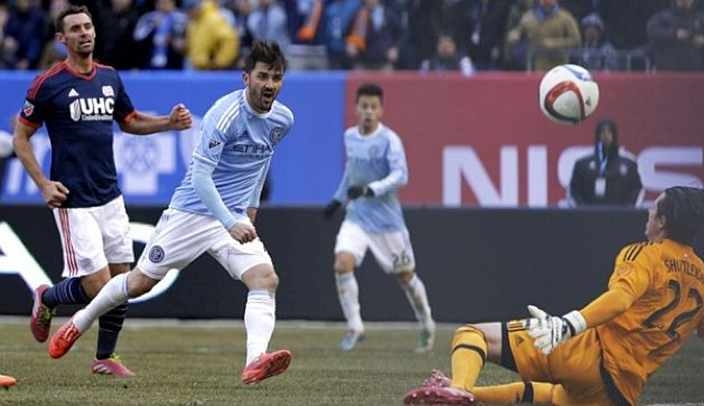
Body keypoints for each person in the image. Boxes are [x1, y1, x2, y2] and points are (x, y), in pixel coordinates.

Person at [46, 40, 295, 385]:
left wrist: (249, 209)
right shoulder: (224, 115)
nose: (269, 84)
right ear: (246, 78)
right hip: (192, 213)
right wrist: (229, 221)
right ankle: (79, 322)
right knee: (139, 283)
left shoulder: (283, 119)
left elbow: (261, 162)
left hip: (233, 217)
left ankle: (255, 360)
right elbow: (202, 178)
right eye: (263, 76)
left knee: (266, 279)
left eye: (276, 77)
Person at [404, 186, 704, 406]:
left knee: (472, 334)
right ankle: (466, 395)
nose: (648, 212)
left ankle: (460, 389)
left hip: (592, 353)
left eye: (653, 208)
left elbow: (621, 299)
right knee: (552, 396)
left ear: (663, 221)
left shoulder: (645, 254)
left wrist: (569, 324)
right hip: (619, 393)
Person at [12, 5, 192, 378]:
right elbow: (21, 137)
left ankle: (104, 357)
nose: (84, 33)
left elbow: (130, 120)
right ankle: (48, 297)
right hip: (73, 198)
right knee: (97, 285)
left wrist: (168, 123)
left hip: (110, 195)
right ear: (62, 39)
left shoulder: (109, 77)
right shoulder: (48, 83)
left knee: (123, 282)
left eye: (88, 26)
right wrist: (43, 183)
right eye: (75, 29)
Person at [323, 83, 436, 353]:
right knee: (342, 263)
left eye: (374, 107)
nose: (369, 112)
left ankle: (426, 323)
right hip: (357, 216)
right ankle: (355, 326)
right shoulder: (350, 137)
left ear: (381, 110)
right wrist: (338, 199)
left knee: (406, 277)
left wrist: (371, 189)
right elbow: (351, 171)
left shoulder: (389, 140)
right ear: (356, 108)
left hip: (387, 222)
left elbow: (401, 175)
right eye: (364, 106)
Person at [569, 119, 643, 207]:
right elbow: (573, 190)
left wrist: (628, 210)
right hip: (589, 214)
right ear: (597, 135)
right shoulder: (582, 164)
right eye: (602, 131)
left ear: (614, 135)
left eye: (609, 132)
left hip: (620, 214)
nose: (606, 135)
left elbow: (637, 190)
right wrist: (582, 210)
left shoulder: (629, 165)